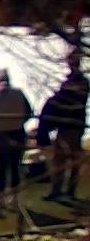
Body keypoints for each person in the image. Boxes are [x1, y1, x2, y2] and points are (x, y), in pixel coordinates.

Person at [37, 58, 88, 202]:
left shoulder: (79, 82)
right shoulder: (70, 82)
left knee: (70, 159)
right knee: (61, 159)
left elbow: (68, 100)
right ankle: (59, 190)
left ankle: (66, 191)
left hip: (72, 126)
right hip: (67, 125)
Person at [0, 68, 33, 209]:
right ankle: (15, 199)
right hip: (18, 132)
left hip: (2, 134)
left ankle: (0, 198)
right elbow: (29, 111)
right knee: (15, 165)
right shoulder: (19, 93)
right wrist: (20, 122)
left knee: (2, 166)